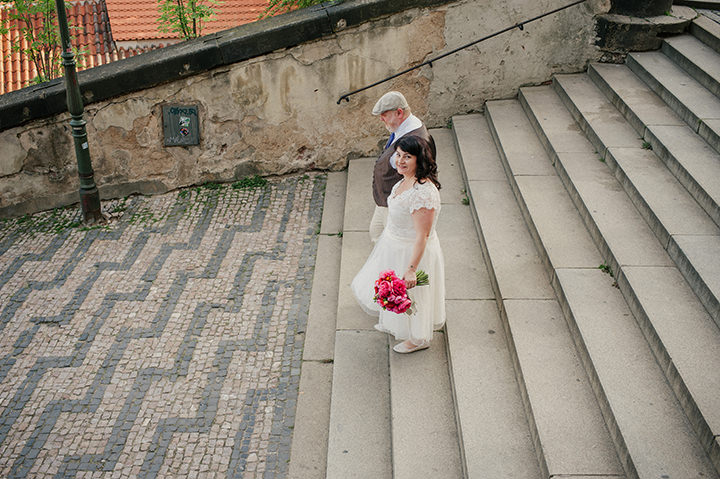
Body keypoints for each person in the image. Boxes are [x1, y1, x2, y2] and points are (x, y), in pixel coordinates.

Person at [351, 135, 446, 353]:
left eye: (408, 157)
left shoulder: (423, 193)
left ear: (419, 160)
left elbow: (422, 235)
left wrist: (412, 269)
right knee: (393, 292)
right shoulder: (405, 179)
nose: (401, 161)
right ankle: (396, 324)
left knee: (413, 296)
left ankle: (419, 338)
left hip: (411, 252)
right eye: (399, 155)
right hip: (393, 245)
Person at [370, 91, 436, 243]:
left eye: (384, 115)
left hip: (398, 205)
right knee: (376, 235)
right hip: (385, 198)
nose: (381, 119)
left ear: (399, 112)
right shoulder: (401, 129)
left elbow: (421, 174)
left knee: (390, 245)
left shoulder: (418, 139)